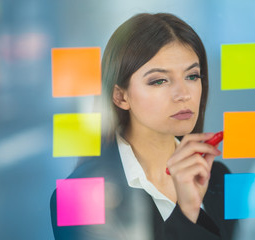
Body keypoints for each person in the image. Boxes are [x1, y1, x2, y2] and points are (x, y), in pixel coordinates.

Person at [50, 13, 236, 240]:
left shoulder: (218, 178)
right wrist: (186, 214)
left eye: (192, 76)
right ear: (120, 96)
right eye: (159, 80)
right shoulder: (78, 196)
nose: (183, 94)